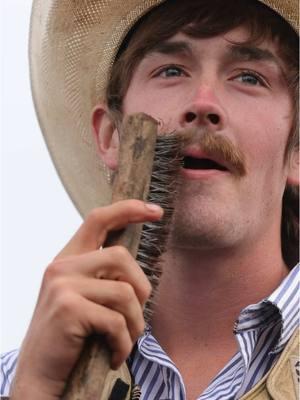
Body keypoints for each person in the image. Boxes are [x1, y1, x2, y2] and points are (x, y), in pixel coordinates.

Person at [1, 0, 299, 399]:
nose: (204, 104)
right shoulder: (16, 380)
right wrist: (36, 390)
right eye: (171, 70)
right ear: (111, 137)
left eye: (248, 77)